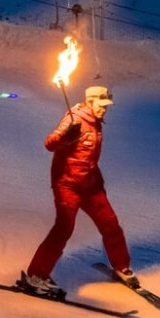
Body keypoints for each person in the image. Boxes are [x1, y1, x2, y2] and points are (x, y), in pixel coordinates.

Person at [20, 86, 136, 297]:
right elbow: (49, 143)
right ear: (90, 102)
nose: (104, 110)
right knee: (63, 228)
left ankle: (121, 266)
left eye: (106, 107)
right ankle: (36, 275)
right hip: (68, 184)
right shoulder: (73, 119)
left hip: (90, 185)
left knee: (111, 224)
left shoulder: (96, 121)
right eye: (100, 106)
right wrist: (65, 138)